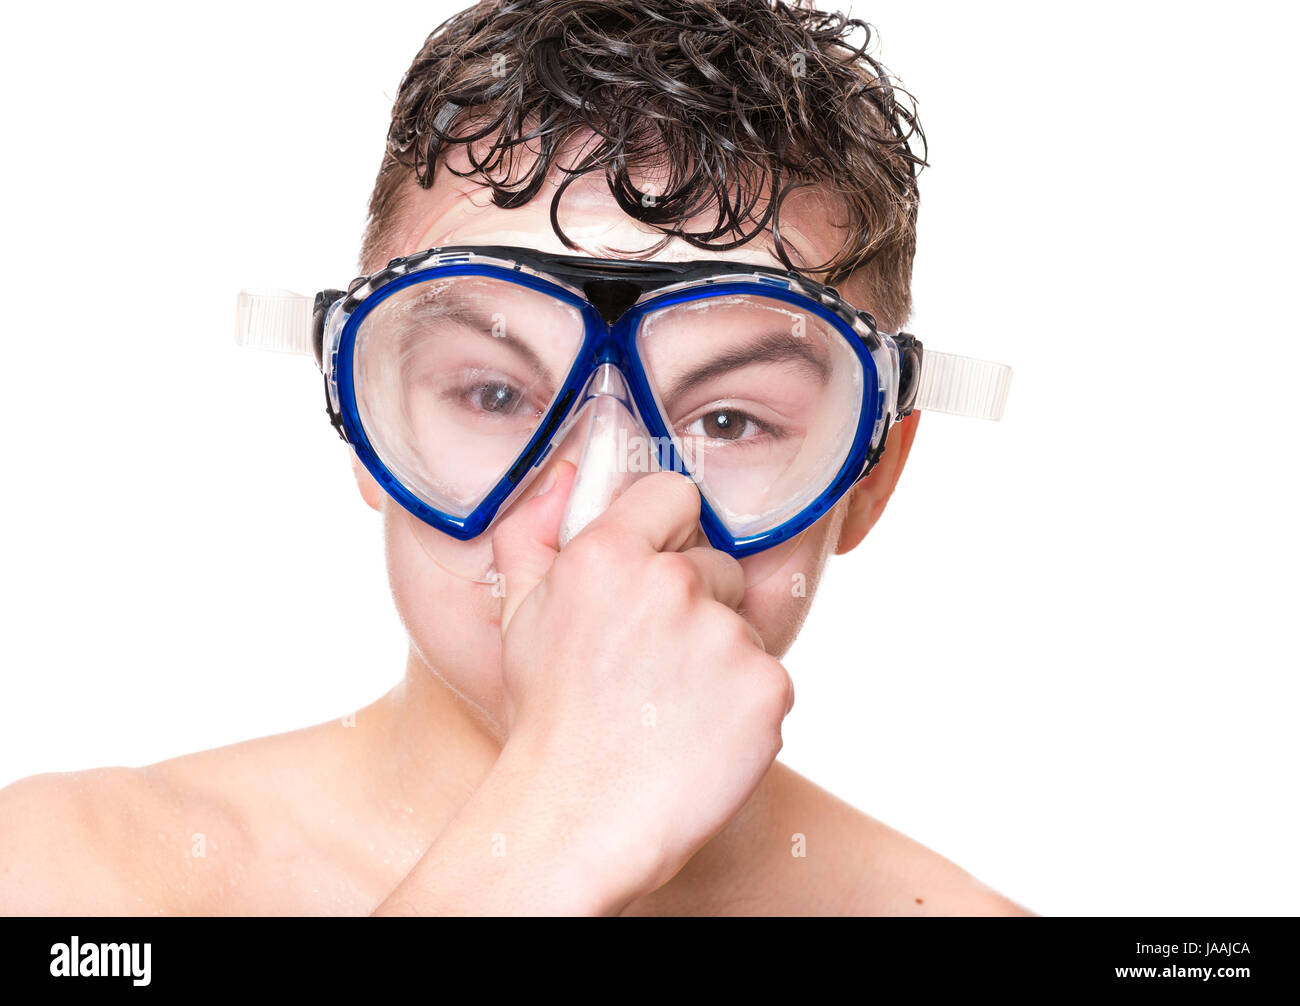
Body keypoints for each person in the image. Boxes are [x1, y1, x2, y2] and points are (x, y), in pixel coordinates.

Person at [0, 0, 1025, 916]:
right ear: (360, 413)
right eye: (495, 395)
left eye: (725, 422)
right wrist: (558, 826)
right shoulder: (67, 874)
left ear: (871, 478)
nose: (596, 523)